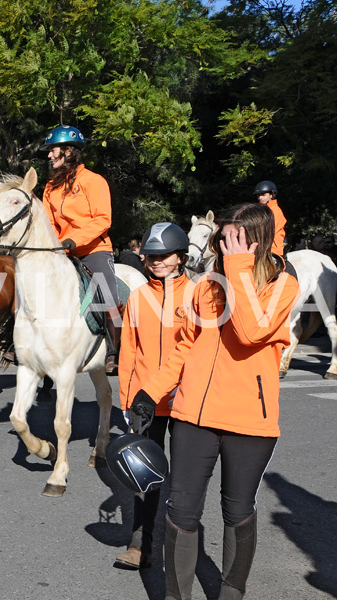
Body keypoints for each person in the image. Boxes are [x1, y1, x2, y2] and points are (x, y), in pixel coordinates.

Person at [129, 203, 299, 600]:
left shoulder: (282, 284)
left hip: (249, 423)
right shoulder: (206, 285)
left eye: (232, 238)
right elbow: (185, 346)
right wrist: (149, 392)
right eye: (222, 238)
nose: (222, 245)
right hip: (193, 417)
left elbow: (251, 330)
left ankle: (230, 593)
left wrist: (239, 267)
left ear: (256, 241)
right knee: (181, 512)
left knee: (237, 510)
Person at [114, 222, 191, 570]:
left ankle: (181, 547)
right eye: (150, 255)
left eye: (164, 255)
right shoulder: (138, 297)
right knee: (144, 479)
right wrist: (129, 403)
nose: (156, 261)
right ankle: (139, 542)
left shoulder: (198, 295)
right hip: (147, 403)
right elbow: (128, 353)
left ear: (181, 257)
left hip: (188, 402)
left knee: (186, 479)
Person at [39, 125, 120, 374]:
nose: (50, 155)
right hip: (63, 252)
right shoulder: (50, 188)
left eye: (54, 150)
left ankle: (114, 351)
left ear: (70, 152)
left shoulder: (93, 181)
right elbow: (48, 223)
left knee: (107, 298)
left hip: (95, 249)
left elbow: (102, 219)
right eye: (50, 151)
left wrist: (73, 239)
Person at [254, 180, 285, 257]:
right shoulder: (261, 211)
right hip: (261, 249)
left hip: (273, 250)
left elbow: (269, 231)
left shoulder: (276, 211)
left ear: (272, 195)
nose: (260, 198)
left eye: (263, 195)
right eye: (258, 195)